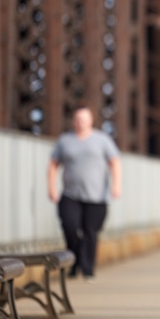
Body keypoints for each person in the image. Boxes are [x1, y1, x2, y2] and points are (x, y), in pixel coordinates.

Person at [47, 105, 122, 283]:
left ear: (91, 120)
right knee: (69, 226)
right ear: (74, 121)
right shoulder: (65, 140)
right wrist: (51, 188)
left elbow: (115, 162)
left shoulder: (102, 140)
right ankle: (74, 262)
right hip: (70, 194)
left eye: (84, 119)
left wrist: (116, 185)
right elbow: (53, 165)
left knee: (90, 232)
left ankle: (87, 269)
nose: (80, 122)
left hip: (96, 197)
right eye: (78, 119)